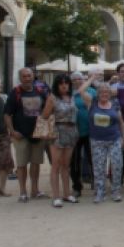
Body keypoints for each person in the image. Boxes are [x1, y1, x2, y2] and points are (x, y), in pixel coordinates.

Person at [4, 67, 48, 203]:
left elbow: (47, 110)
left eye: (29, 75)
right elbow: (7, 114)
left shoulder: (40, 92)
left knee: (36, 163)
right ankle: (23, 192)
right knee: (22, 164)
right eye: (24, 76)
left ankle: (35, 190)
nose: (27, 78)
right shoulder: (15, 93)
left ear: (33, 76)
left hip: (37, 134)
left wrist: (44, 129)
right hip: (21, 134)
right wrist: (12, 131)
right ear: (20, 78)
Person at [78, 77, 124, 203]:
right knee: (99, 167)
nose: (104, 94)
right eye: (102, 92)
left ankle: (115, 192)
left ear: (110, 94)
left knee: (117, 165)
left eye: (107, 92)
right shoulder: (92, 103)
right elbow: (81, 90)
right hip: (97, 141)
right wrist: (92, 78)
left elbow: (121, 122)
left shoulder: (115, 104)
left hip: (114, 139)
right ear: (98, 93)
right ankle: (100, 192)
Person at [41, 74, 79, 208]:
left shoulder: (72, 97)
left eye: (66, 83)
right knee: (56, 164)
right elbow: (44, 116)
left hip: (71, 131)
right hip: (57, 131)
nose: (64, 85)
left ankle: (67, 193)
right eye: (61, 83)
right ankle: (56, 196)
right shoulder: (52, 98)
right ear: (57, 85)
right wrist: (49, 105)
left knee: (66, 164)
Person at [70, 71, 95, 197]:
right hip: (74, 132)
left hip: (90, 130)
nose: (77, 81)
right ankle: (77, 186)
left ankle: (96, 183)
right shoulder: (68, 93)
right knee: (75, 160)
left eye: (79, 79)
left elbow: (94, 105)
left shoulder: (91, 91)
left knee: (92, 158)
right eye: (74, 79)